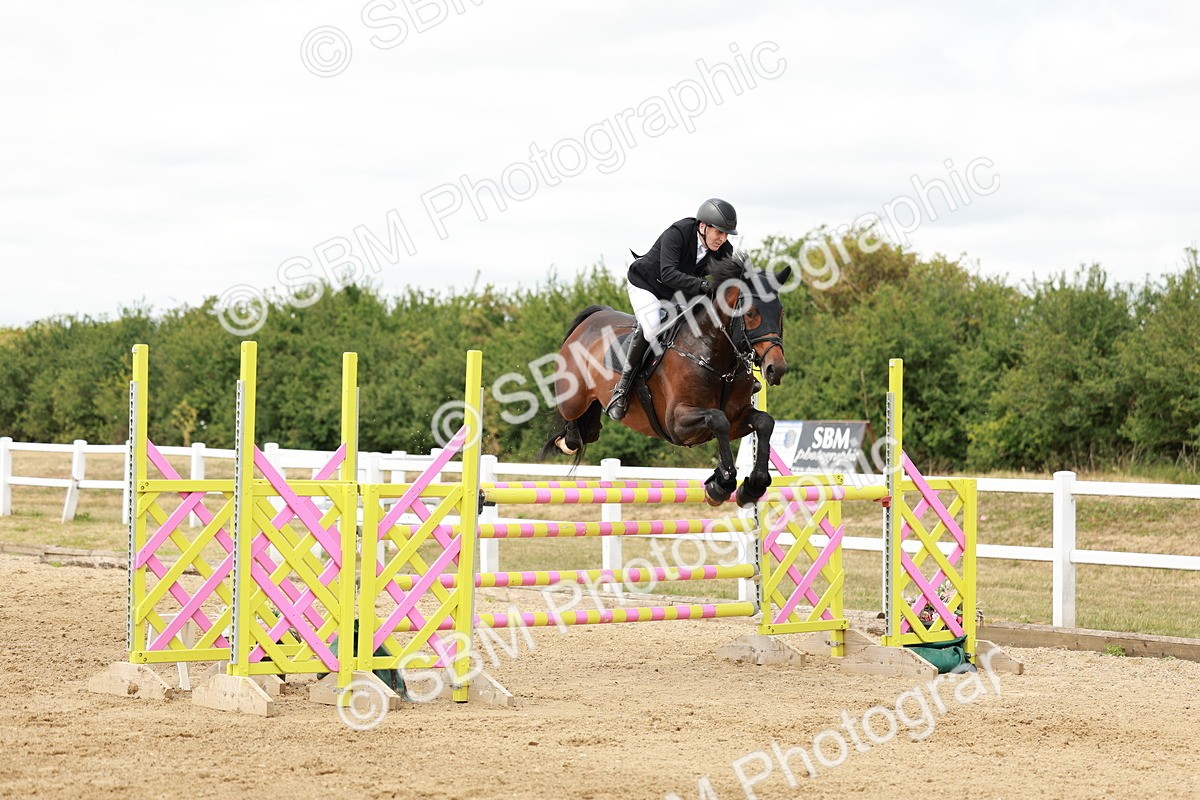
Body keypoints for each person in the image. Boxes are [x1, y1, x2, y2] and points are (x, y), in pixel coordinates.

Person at [606, 198, 738, 421]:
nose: (723, 239)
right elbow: (667, 273)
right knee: (652, 327)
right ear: (703, 226)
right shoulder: (678, 233)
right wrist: (703, 286)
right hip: (647, 284)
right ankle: (622, 389)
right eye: (719, 232)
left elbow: (726, 286)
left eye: (727, 234)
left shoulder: (724, 249)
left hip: (679, 292)